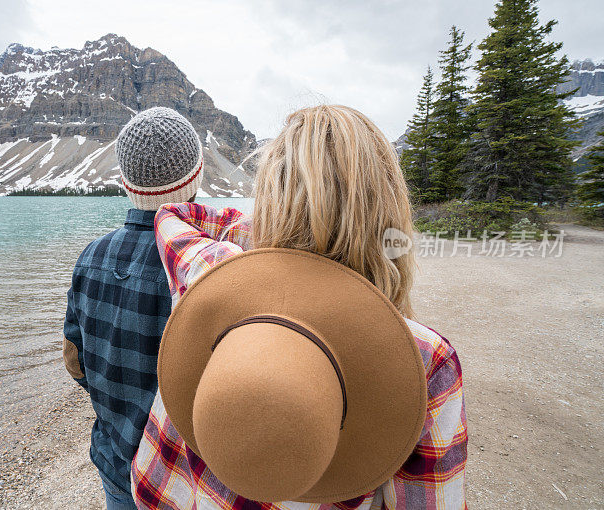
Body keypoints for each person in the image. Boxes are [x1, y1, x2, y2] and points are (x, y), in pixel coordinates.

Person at [131, 105, 467, 509]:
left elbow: (177, 212)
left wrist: (273, 231)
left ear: (270, 198)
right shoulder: (423, 358)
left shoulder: (214, 273)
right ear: (389, 208)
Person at [63, 107, 204, 510]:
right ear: (196, 177)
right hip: (182, 478)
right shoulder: (209, 266)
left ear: (127, 184)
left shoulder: (90, 256)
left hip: (115, 462)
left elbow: (76, 362)